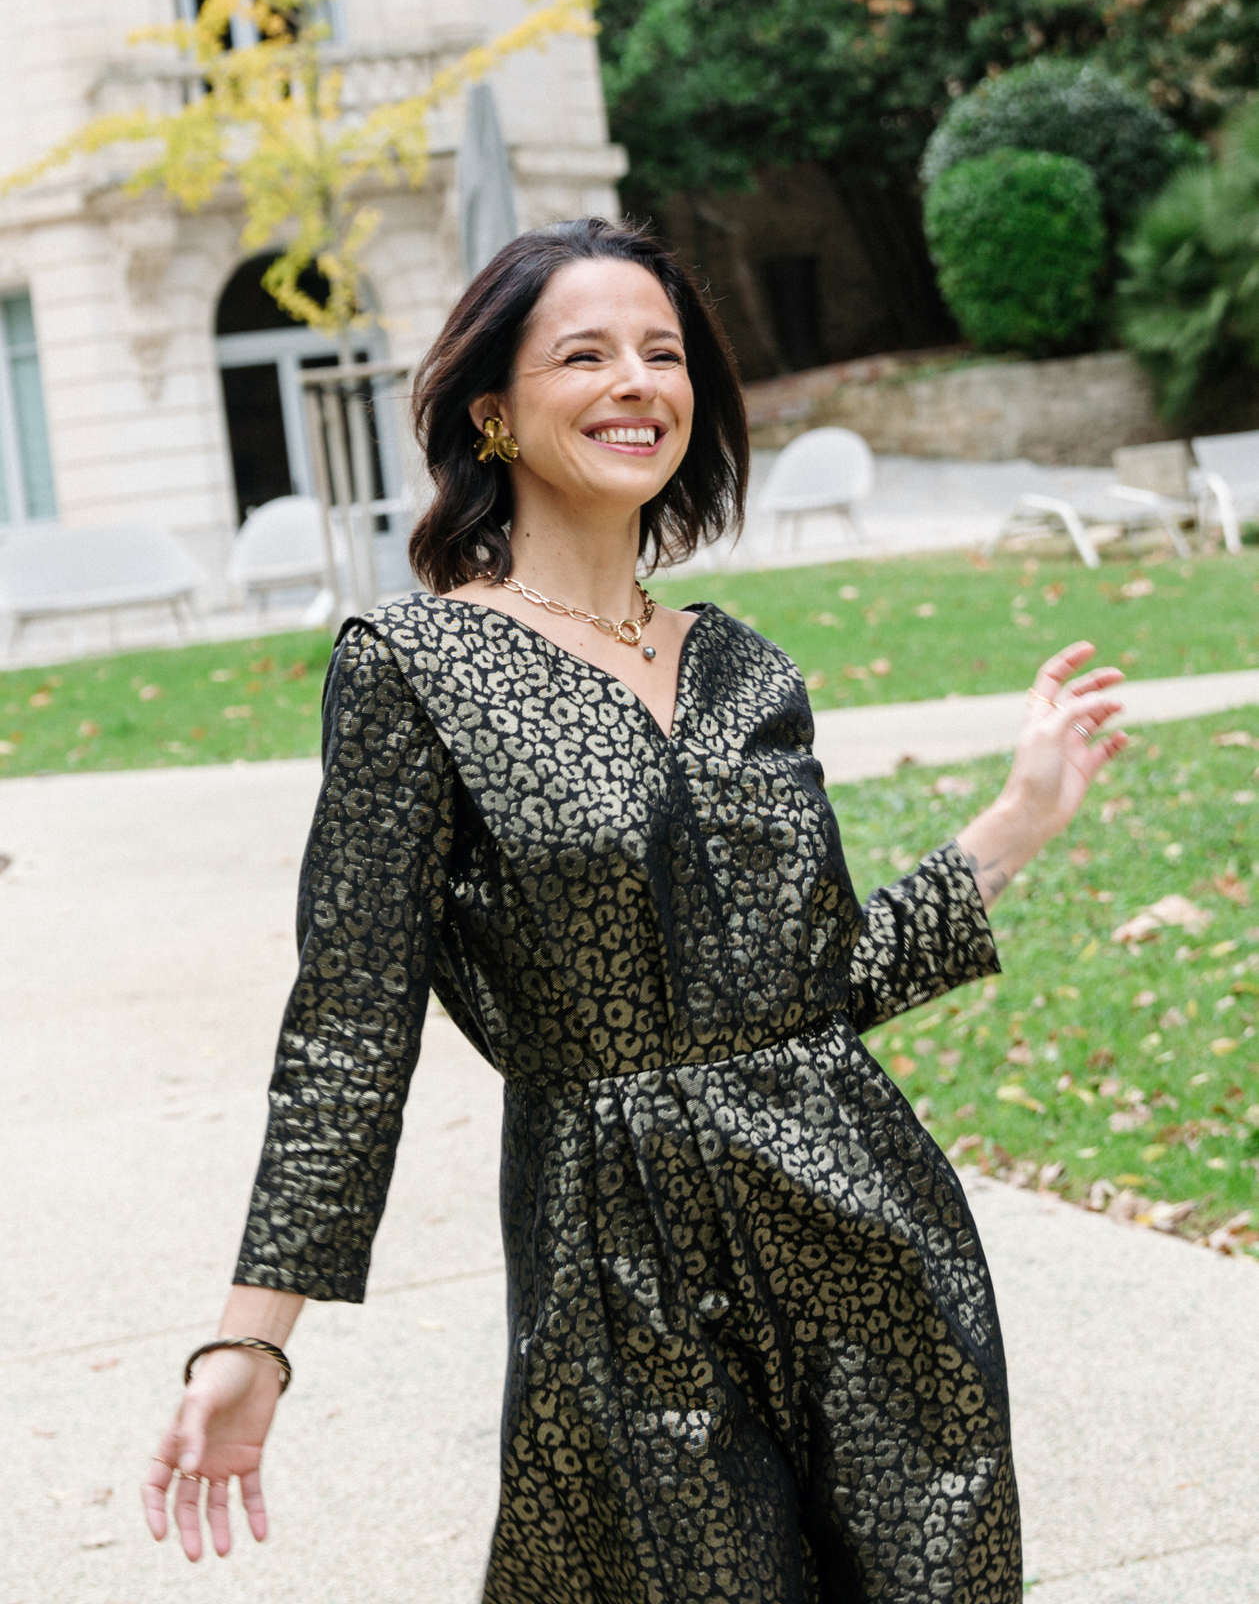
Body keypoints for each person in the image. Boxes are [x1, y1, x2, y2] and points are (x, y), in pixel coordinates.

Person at [141, 219, 1126, 1602]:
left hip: (870, 1236)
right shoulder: (417, 668)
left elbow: (815, 987)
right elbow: (351, 1026)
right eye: (584, 355)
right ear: (493, 409)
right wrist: (255, 1336)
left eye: (663, 354)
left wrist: (1018, 819)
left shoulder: (743, 670)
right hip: (621, 1259)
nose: (636, 383)